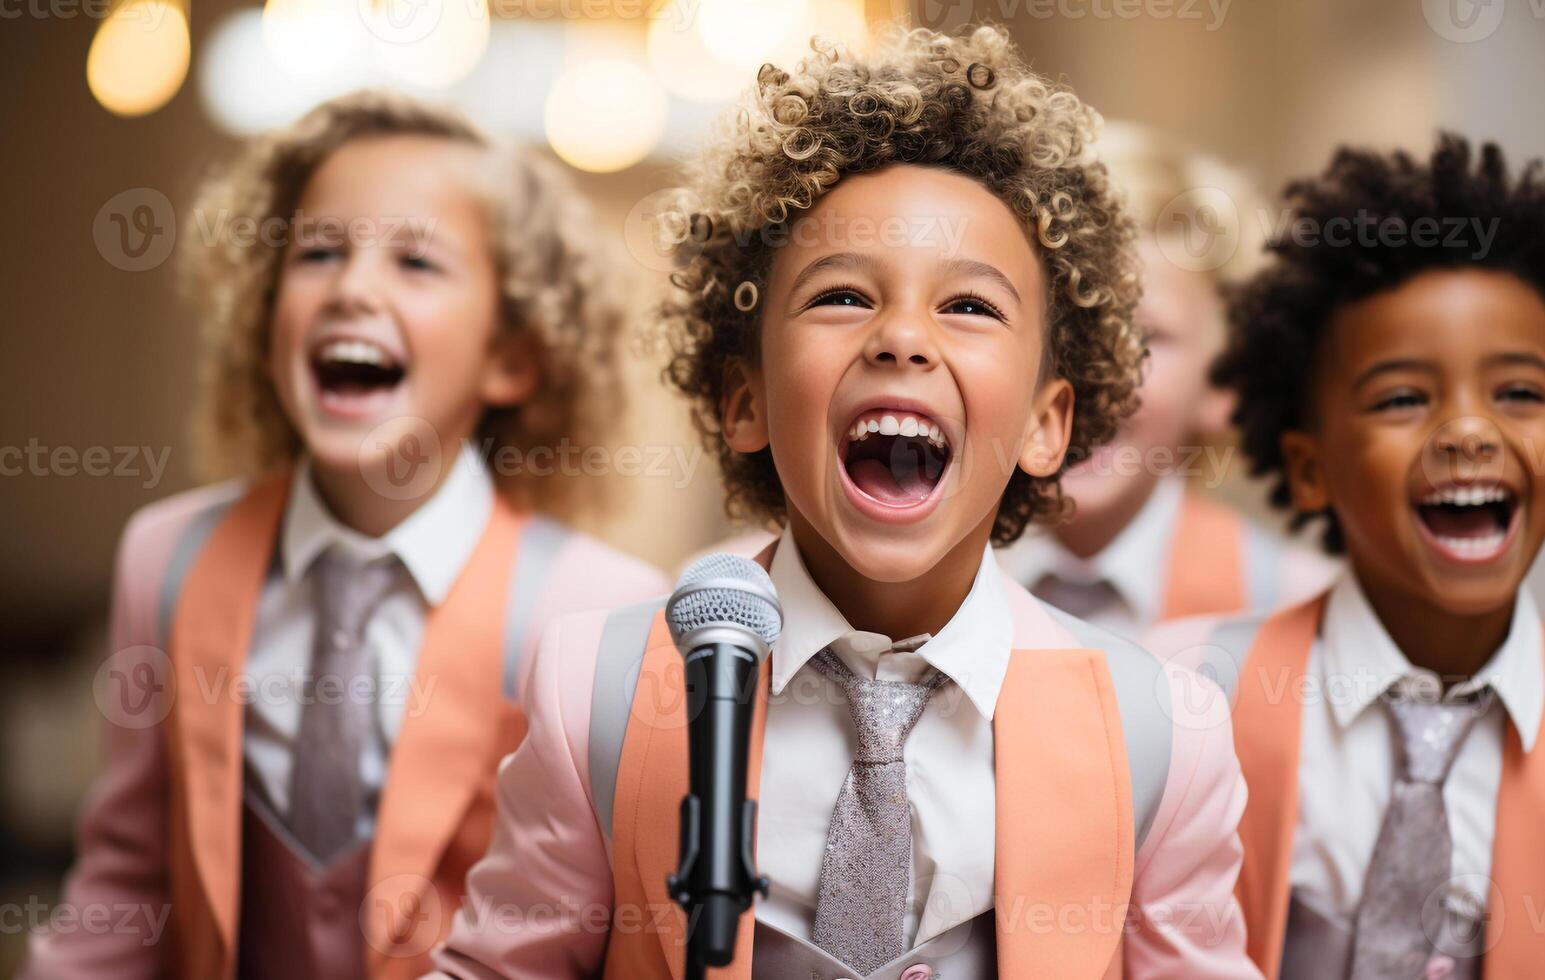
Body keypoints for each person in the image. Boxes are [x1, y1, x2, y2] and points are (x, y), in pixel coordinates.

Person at [431, 26, 1258, 980]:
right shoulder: (597, 689)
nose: (902, 337)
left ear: (1045, 424)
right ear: (744, 399)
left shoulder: (1161, 729)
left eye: (969, 307)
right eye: (840, 298)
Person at [22, 91, 668, 980]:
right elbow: (128, 889)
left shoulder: (604, 612)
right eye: (319, 252)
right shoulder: (165, 560)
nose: (353, 289)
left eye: (416, 262)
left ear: (512, 355)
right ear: (263, 313)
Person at [1145, 133, 1545, 979]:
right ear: (1308, 468)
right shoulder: (1186, 689)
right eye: (1403, 398)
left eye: (1516, 394)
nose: (1467, 432)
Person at [1003, 124, 1336, 640]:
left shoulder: (1297, 608)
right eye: (1060, 324)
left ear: (1226, 380)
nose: (1090, 373)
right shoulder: (914, 587)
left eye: (1144, 335)